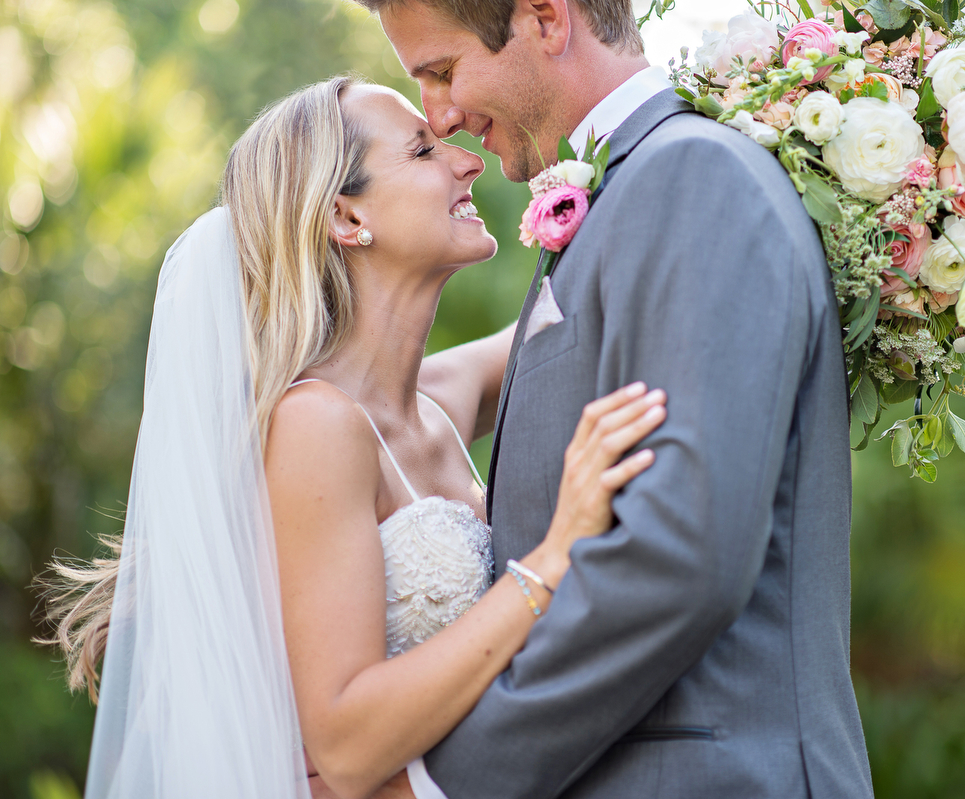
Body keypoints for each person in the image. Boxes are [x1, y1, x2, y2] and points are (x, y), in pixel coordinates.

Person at [40, 75, 666, 799]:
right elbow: (345, 742)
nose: (465, 160)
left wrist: (745, 115)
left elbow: (573, 313)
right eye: (424, 150)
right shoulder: (316, 426)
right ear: (345, 216)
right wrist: (553, 558)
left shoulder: (434, 401)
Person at [363, 0, 875, 797]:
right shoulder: (620, 197)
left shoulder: (691, 176)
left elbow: (676, 559)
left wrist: (440, 785)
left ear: (543, 19)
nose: (443, 115)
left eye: (442, 71)